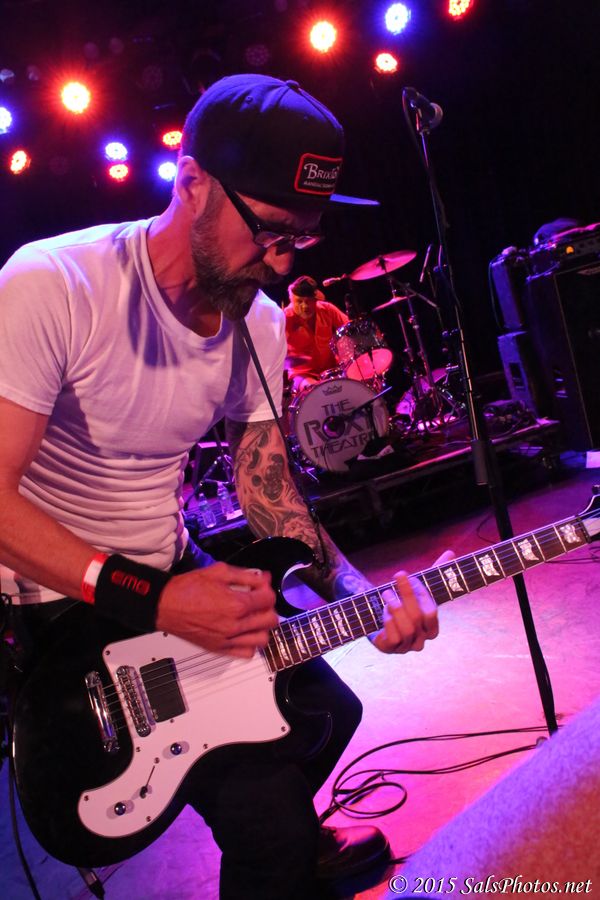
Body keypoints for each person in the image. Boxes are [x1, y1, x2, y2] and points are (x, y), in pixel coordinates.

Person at [0, 74, 441, 899]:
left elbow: (269, 492)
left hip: (166, 565)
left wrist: (360, 593)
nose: (282, 260)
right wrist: (157, 601)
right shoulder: (55, 283)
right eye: (269, 229)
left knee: (330, 711)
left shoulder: (259, 325)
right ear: (192, 181)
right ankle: (276, 846)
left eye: (301, 237)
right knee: (275, 833)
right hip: (58, 602)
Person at [284, 274, 348, 392]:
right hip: (302, 374)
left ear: (315, 299)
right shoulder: (284, 319)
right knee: (315, 391)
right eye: (299, 301)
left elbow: (349, 329)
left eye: (309, 301)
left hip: (332, 368)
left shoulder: (327, 309)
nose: (305, 306)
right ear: (291, 300)